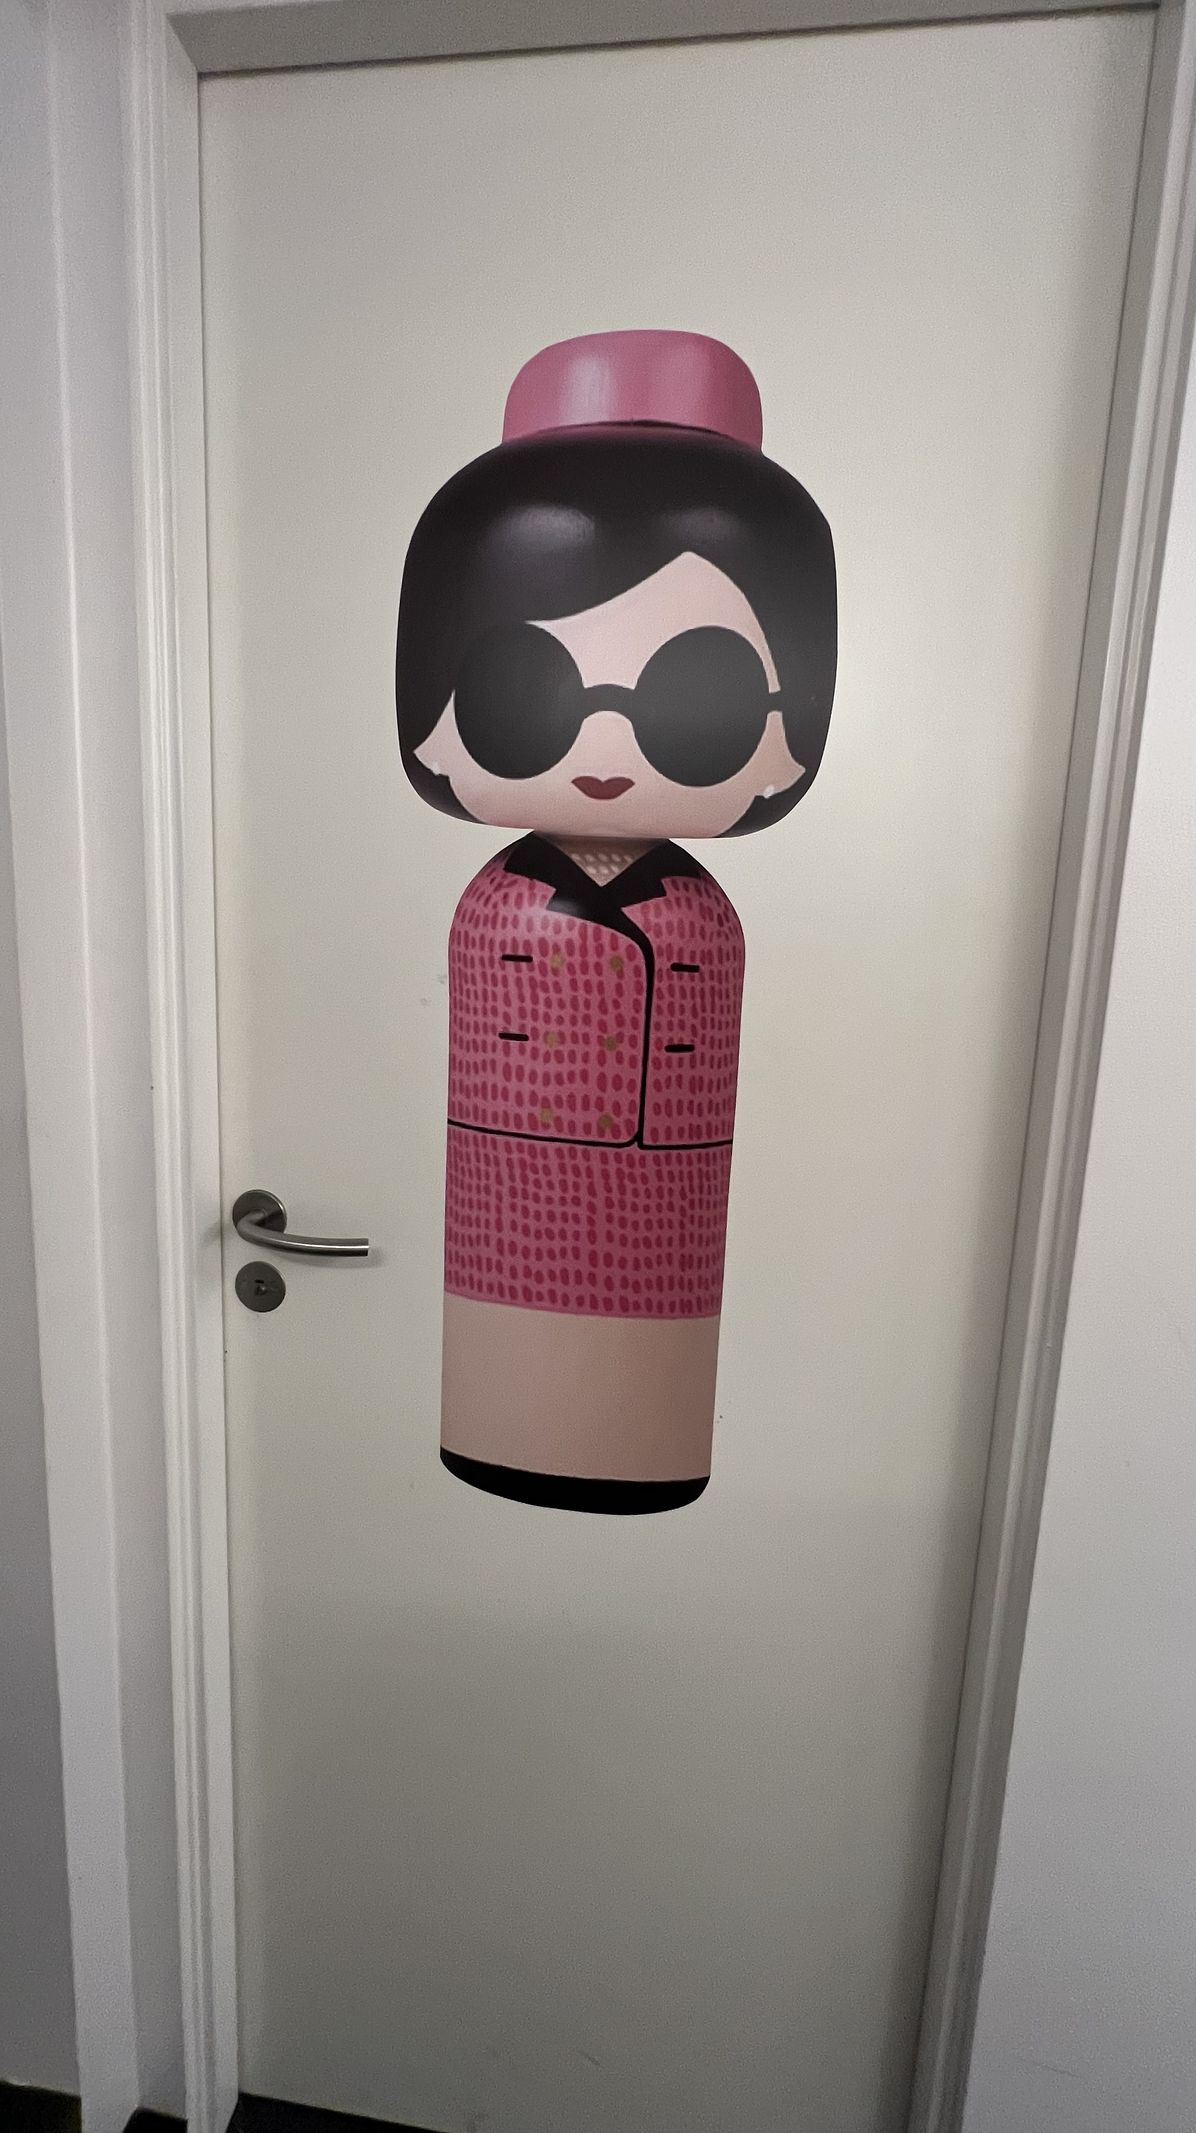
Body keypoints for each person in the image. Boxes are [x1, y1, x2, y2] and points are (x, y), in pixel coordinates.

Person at [396, 329, 836, 1510]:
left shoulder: (702, 916)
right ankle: (504, 1431)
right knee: (506, 1348)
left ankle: (641, 1449)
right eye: (526, 694)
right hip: (511, 1176)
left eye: (693, 695)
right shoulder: (497, 902)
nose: (604, 744)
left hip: (666, 1189)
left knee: (650, 1362)